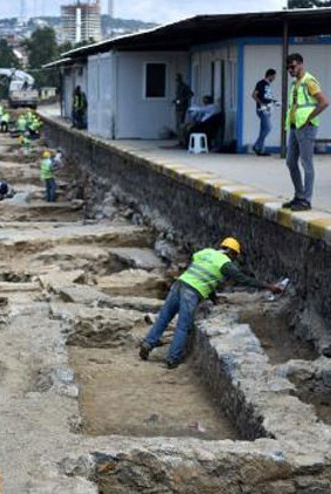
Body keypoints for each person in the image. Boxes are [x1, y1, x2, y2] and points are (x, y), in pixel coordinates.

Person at [139, 238, 283, 369]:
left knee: (164, 318)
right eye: (234, 256)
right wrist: (269, 287)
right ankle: (172, 359)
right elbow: (244, 280)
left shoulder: (206, 252)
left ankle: (148, 343)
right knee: (183, 326)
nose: (234, 259)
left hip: (179, 284)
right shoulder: (225, 264)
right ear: (232, 253)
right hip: (191, 292)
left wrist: (214, 298)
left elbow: (205, 277)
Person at [284, 53, 328, 212]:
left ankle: (306, 200)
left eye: (293, 66)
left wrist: (309, 117)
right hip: (295, 126)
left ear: (301, 64)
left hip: (306, 126)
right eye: (288, 67)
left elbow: (324, 102)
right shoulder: (295, 84)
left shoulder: (309, 81)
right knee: (290, 161)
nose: (290, 70)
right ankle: (299, 195)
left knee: (306, 163)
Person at [252, 69, 277, 156]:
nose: (274, 78)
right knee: (267, 128)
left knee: (263, 130)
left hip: (268, 109)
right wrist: (261, 104)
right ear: (269, 75)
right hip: (262, 109)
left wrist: (273, 101)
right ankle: (257, 146)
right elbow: (254, 95)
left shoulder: (268, 85)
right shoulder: (261, 84)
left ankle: (261, 149)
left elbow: (266, 97)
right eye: (273, 76)